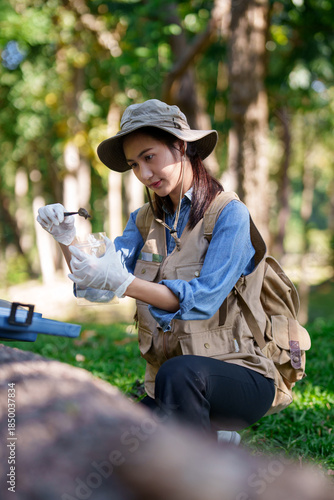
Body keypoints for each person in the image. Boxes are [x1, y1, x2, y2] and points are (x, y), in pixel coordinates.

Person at [37, 99, 275, 440]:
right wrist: (65, 238)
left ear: (180, 146)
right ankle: (215, 437)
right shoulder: (144, 220)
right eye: (134, 164)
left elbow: (203, 299)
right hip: (170, 384)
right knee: (116, 439)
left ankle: (202, 476)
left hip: (237, 376)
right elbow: (95, 283)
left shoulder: (229, 214)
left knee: (179, 375)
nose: (144, 174)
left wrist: (126, 282)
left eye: (150, 157)